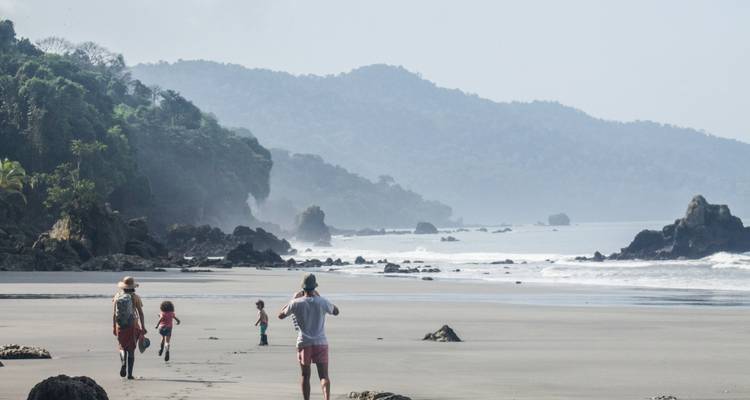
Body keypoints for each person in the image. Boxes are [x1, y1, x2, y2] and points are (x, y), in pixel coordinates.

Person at [278, 273, 340, 400]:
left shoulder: (296, 303)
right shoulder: (322, 301)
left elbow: (281, 315)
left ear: (303, 288)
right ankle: (326, 398)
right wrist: (319, 297)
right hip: (320, 342)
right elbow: (336, 311)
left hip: (304, 342)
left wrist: (292, 299)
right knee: (323, 376)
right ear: (314, 287)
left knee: (305, 375)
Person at [112, 276, 146, 380]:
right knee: (131, 349)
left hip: (120, 325)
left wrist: (114, 326)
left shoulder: (117, 296)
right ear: (133, 287)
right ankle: (130, 375)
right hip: (133, 325)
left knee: (122, 347)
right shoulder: (135, 297)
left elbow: (114, 314)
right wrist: (143, 327)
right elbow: (140, 313)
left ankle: (123, 363)